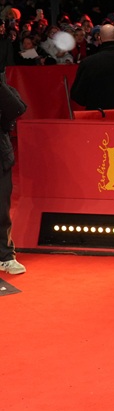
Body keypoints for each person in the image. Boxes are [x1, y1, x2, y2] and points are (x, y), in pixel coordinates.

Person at [0, 79, 27, 275]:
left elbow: (17, 109)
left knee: (1, 210)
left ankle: (5, 257)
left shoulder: (4, 88)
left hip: (0, 156)